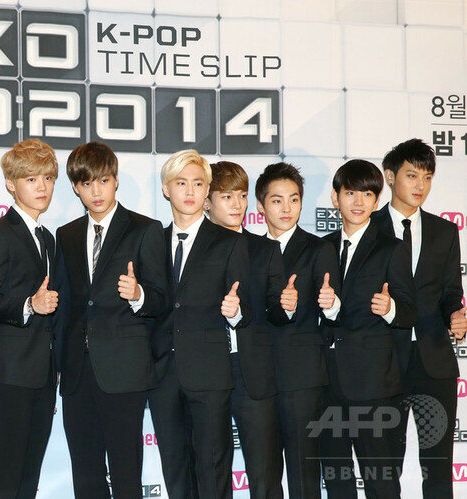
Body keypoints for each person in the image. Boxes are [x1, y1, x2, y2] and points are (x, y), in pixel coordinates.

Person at [55, 141, 169, 498]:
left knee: (125, 473)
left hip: (124, 369)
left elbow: (163, 299)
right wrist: (59, 362)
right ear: (76, 187)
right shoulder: (66, 235)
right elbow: (67, 304)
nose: (96, 191)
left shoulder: (145, 229)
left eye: (103, 181)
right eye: (87, 183)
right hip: (77, 370)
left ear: (116, 180)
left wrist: (139, 295)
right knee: (85, 473)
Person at [147, 150, 248, 499]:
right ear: (166, 189)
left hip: (210, 373)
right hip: (162, 373)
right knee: (175, 468)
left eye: (198, 183)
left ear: (207, 191)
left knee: (213, 468)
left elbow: (247, 307)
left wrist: (235, 312)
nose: (189, 191)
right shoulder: (151, 241)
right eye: (181, 183)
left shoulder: (231, 242)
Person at [372, 139, 466, 498]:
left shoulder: (445, 231)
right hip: (383, 361)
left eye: (427, 177)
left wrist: (455, 315)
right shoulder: (369, 228)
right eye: (411, 176)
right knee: (385, 468)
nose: (420, 186)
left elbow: (450, 291)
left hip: (434, 359)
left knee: (438, 467)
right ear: (390, 177)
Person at [319, 159, 416, 499]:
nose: (359, 202)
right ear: (336, 198)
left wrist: (390, 309)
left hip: (372, 385)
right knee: (337, 479)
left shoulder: (391, 248)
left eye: (368, 194)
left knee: (380, 481)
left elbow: (410, 311)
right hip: (326, 382)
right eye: (350, 193)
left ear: (377, 201)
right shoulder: (321, 247)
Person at [0, 138, 59, 498]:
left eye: (47, 178)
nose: (42, 187)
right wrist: (29, 304)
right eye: (31, 179)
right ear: (11, 184)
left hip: (42, 375)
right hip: (8, 375)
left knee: (28, 475)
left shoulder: (48, 238)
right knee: (6, 474)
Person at [255, 162, 342, 499]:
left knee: (304, 473)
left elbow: (334, 313)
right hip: (257, 378)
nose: (286, 208)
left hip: (301, 378)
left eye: (294, 199)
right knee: (264, 474)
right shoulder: (248, 250)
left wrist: (331, 304)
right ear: (261, 205)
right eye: (277, 200)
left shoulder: (318, 249)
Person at [205, 161, 288, 499]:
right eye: (227, 196)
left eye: (241, 196)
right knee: (212, 472)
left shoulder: (265, 250)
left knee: (265, 473)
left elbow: (277, 312)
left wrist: (287, 305)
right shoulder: (191, 250)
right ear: (207, 200)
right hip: (205, 371)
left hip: (252, 371)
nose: (237, 205)